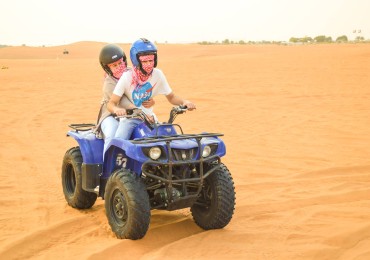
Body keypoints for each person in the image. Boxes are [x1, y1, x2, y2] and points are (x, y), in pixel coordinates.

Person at [107, 38, 196, 140]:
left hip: (150, 119)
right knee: (118, 143)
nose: (149, 64)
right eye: (145, 61)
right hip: (130, 120)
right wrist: (116, 109)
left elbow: (172, 97)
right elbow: (111, 103)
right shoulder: (127, 77)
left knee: (171, 140)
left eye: (151, 60)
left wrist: (184, 102)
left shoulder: (158, 75)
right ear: (136, 61)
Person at [94, 43, 154, 152]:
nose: (118, 67)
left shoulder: (132, 73)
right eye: (114, 65)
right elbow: (123, 103)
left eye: (120, 63)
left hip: (134, 112)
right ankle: (108, 165)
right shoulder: (109, 83)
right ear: (107, 67)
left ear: (124, 60)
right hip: (110, 114)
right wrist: (142, 113)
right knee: (112, 133)